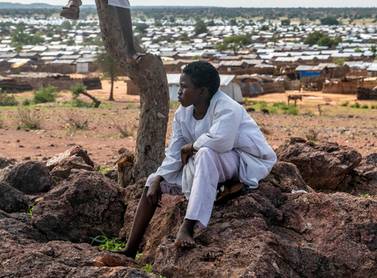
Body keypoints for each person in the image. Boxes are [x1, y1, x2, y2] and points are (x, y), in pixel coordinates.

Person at [117, 60, 276, 256]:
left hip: (243, 161)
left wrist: (190, 147)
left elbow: (222, 141)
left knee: (206, 153)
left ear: (202, 91)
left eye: (184, 87)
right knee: (152, 182)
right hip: (205, 164)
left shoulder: (228, 107)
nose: (179, 91)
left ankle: (188, 226)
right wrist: (159, 177)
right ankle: (130, 249)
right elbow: (175, 152)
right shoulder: (182, 113)